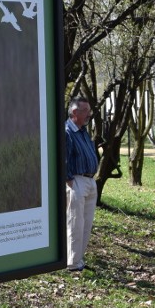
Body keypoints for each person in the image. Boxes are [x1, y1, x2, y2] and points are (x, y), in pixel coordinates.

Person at [65, 97, 98, 272]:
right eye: (85, 111)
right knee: (75, 222)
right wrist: (70, 180)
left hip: (90, 180)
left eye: (89, 110)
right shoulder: (67, 131)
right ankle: (71, 262)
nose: (88, 115)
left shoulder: (83, 131)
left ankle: (78, 260)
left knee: (86, 223)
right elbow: (63, 158)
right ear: (75, 112)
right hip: (77, 180)